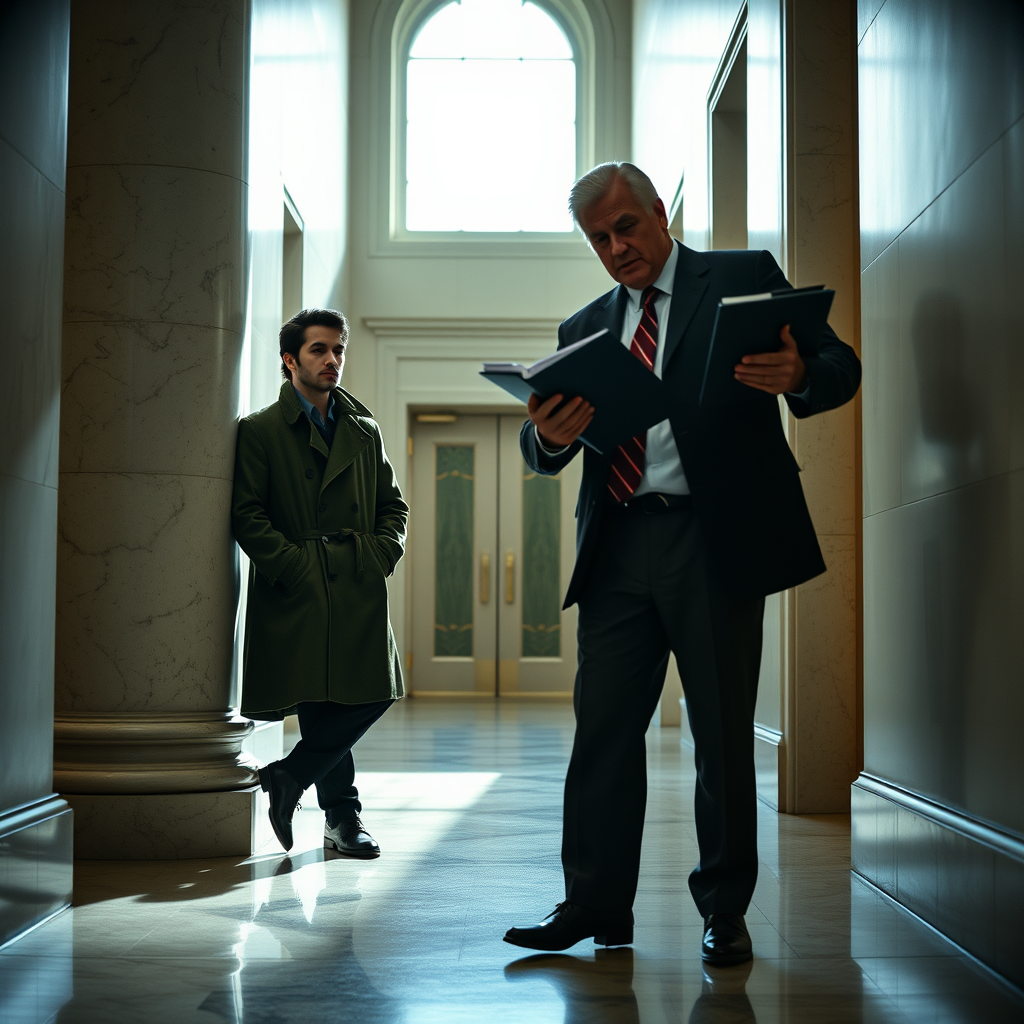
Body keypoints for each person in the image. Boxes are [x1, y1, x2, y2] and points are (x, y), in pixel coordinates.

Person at [503, 163, 860, 964]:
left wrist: (801, 375)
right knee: (601, 733)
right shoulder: (584, 328)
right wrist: (549, 438)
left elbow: (840, 368)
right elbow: (541, 442)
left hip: (715, 538)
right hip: (618, 544)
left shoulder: (739, 278)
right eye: (600, 238)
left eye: (626, 226)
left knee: (722, 734)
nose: (617, 247)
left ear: (659, 213)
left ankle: (724, 911)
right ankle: (594, 905)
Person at [232, 308, 409, 857]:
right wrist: (292, 566)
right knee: (321, 699)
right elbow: (246, 513)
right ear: (290, 360)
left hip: (356, 578)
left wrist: (380, 553)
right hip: (299, 585)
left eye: (338, 350)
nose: (332, 360)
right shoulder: (259, 430)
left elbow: (392, 507)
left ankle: (290, 775)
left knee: (374, 691)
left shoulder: (364, 429)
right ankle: (343, 819)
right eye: (319, 350)